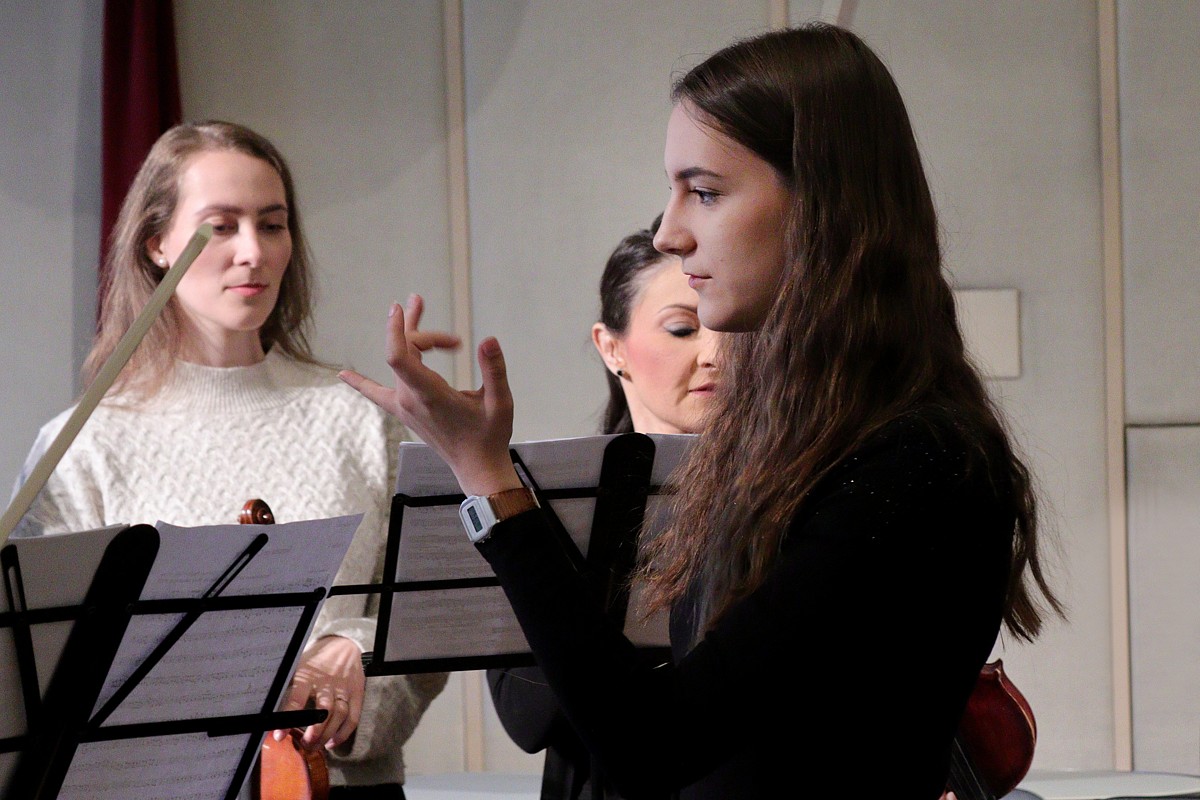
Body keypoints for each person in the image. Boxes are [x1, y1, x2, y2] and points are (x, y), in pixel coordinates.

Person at [343, 23, 1062, 799]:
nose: (669, 232)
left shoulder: (915, 460)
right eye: (673, 190)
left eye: (706, 192)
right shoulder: (787, 442)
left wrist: (491, 482)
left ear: (820, 206)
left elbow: (652, 744)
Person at [12, 121, 449, 799]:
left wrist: (356, 652)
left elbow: (430, 619)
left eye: (272, 225)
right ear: (157, 244)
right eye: (220, 226)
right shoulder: (85, 443)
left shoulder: (361, 416)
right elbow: (49, 671)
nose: (254, 252)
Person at [486, 218, 719, 800]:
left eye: (727, 328)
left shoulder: (784, 493)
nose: (715, 353)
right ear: (612, 348)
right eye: (683, 329)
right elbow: (524, 717)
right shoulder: (537, 506)